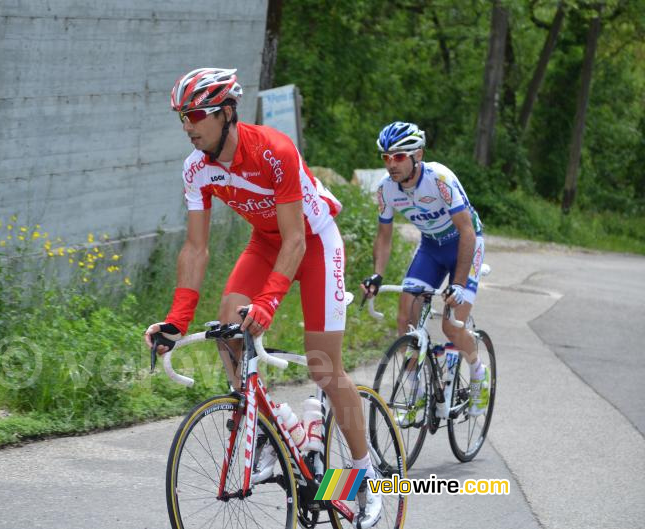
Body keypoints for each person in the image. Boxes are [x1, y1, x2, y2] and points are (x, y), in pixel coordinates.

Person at [143, 68, 382, 526]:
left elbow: (296, 240)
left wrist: (270, 301)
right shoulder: (196, 168)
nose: (188, 126)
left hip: (313, 241)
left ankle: (362, 475)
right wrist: (176, 320)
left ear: (227, 112)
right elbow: (196, 248)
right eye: (182, 118)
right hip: (266, 242)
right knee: (227, 324)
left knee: (323, 366)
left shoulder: (273, 150)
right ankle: (274, 429)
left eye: (196, 114)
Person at [360, 121, 489, 420]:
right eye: (386, 157)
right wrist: (377, 275)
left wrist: (457, 284)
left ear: (418, 154)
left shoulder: (440, 179)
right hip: (431, 247)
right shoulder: (386, 189)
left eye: (399, 157)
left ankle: (479, 375)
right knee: (405, 316)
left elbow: (467, 232)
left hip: (465, 244)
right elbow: (384, 235)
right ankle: (415, 389)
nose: (391, 164)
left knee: (451, 325)